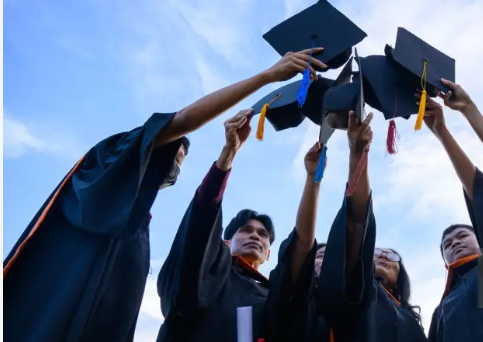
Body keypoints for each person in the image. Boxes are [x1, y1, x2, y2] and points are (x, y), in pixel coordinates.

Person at [3, 48, 324, 342]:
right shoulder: (107, 163)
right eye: (173, 154)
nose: (174, 167)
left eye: (264, 234)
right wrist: (267, 78)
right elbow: (179, 125)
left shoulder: (137, 222)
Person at [157, 110, 276, 342]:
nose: (255, 237)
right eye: (245, 230)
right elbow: (202, 220)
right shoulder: (210, 274)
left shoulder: (274, 294)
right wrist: (229, 152)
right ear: (225, 242)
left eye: (263, 235)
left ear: (269, 253)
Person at [315, 111, 427, 341]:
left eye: (392, 255)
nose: (385, 256)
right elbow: (357, 224)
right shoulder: (359, 296)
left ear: (402, 275)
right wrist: (358, 154)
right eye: (377, 253)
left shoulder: (413, 323)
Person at [416, 81, 483, 342]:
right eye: (447, 244)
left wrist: (467, 110)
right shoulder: (442, 309)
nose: (454, 243)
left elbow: (478, 189)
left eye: (462, 237)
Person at [263, 142, 331, 342]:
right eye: (318, 255)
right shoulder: (299, 298)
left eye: (331, 258)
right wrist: (313, 178)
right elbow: (303, 243)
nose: (325, 260)